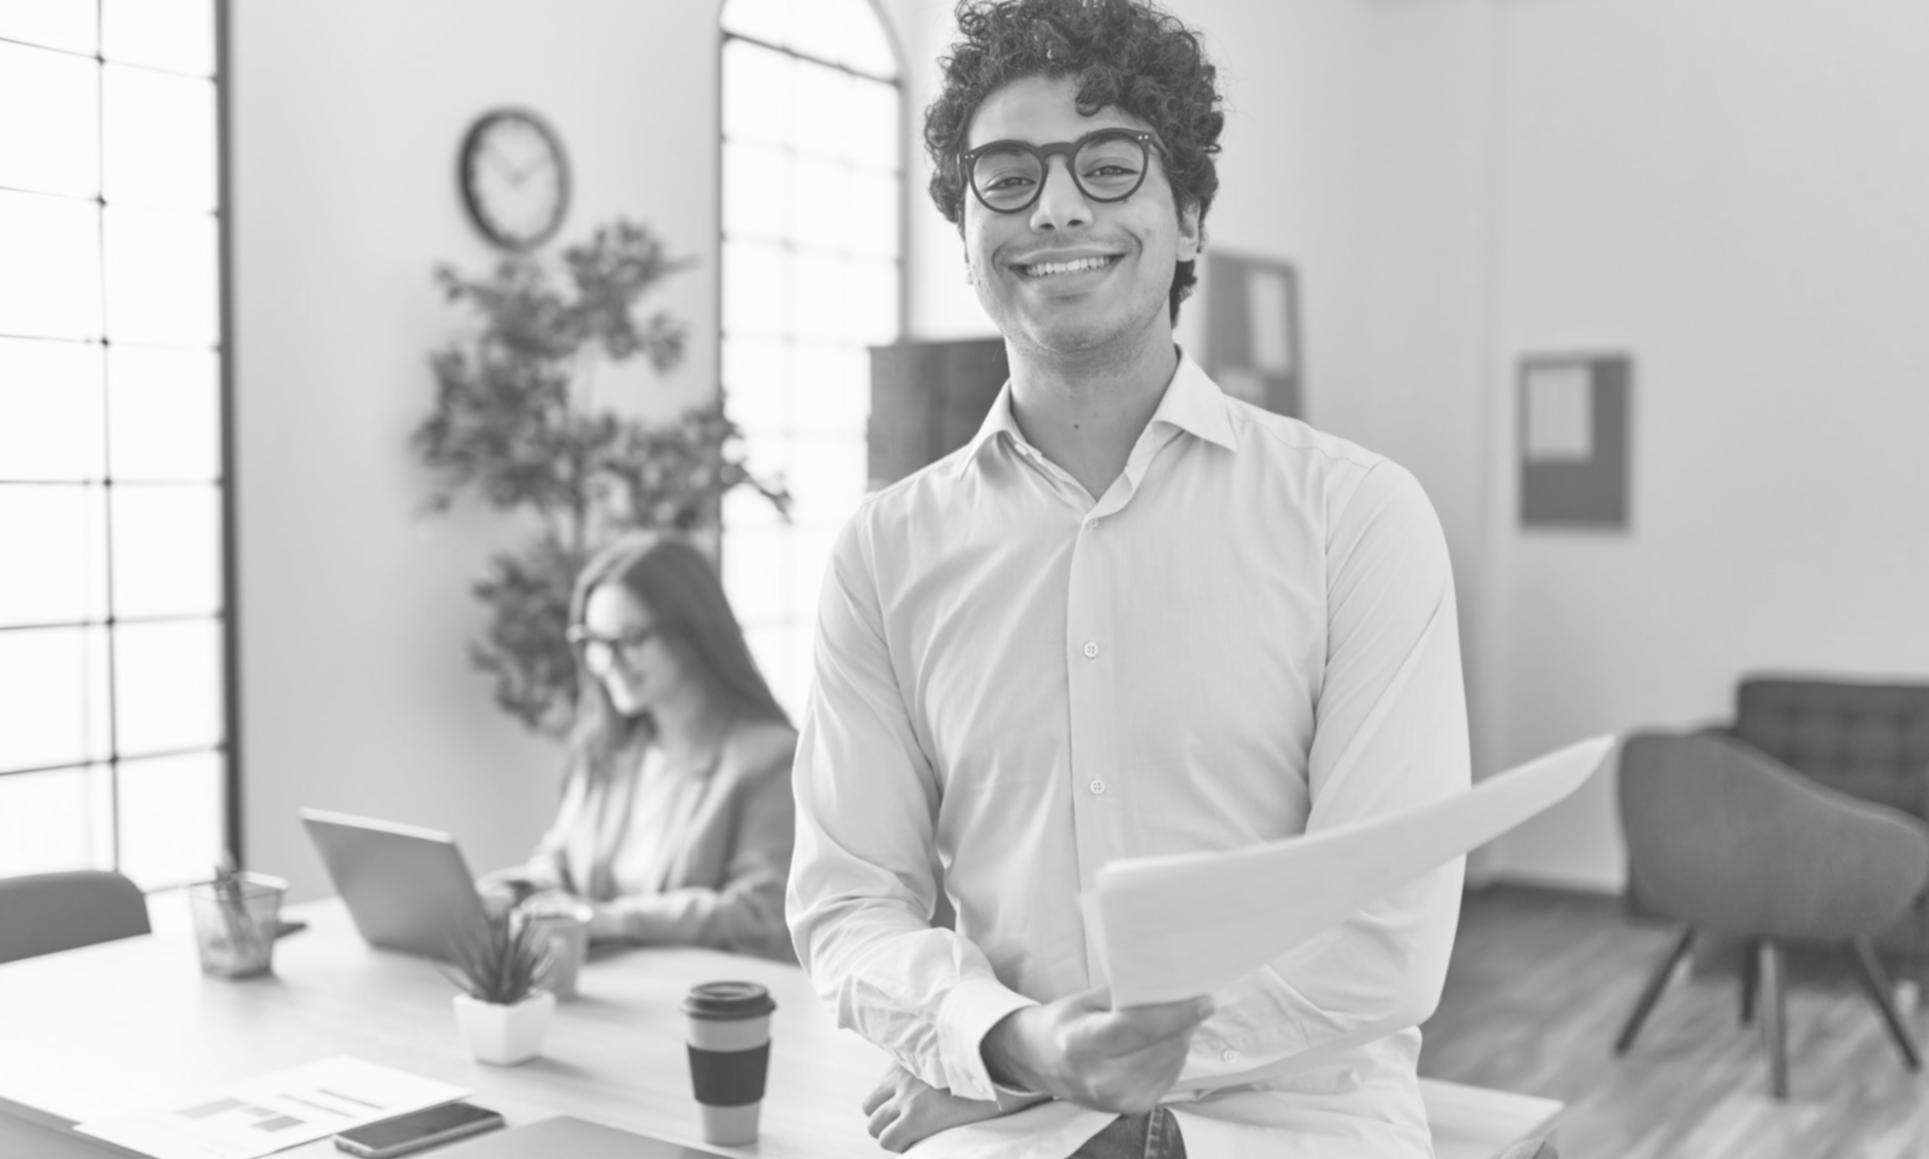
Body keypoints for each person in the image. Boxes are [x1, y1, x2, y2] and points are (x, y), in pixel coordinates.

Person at [786, 0, 1470, 1155]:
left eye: (1108, 166)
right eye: (1004, 178)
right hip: (1003, 1116)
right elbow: (849, 905)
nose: (1055, 205)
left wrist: (1058, 1071)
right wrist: (1012, 1044)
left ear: (1191, 218)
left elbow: (1385, 935)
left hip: (1289, 1127)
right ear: (965, 239)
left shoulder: (1357, 517)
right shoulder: (882, 554)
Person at [482, 531, 798, 963]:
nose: (607, 663)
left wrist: (613, 919)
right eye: (591, 641)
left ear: (692, 636)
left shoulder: (770, 758)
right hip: (602, 998)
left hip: (693, 1009)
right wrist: (513, 894)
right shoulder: (609, 749)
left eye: (628, 640)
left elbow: (756, 915)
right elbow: (559, 862)